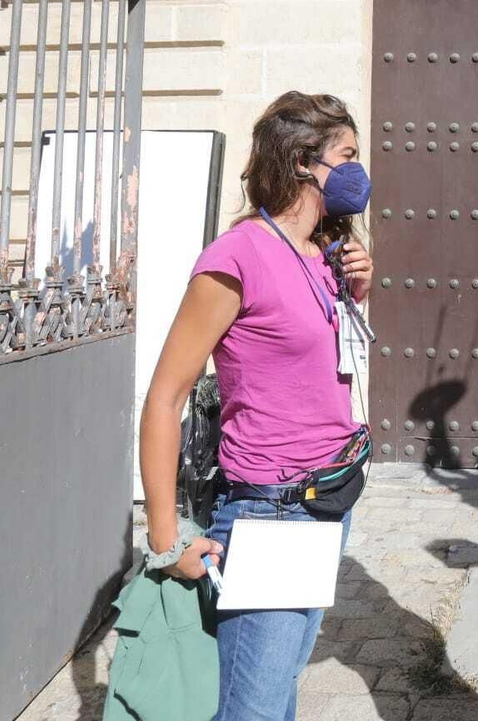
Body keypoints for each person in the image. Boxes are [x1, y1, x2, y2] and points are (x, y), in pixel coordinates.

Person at [138, 92, 375, 720]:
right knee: (254, 710)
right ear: (303, 162)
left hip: (329, 495)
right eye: (347, 156)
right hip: (274, 513)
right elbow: (164, 398)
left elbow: (308, 359)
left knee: (277, 692)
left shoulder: (318, 252)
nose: (359, 172)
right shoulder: (236, 256)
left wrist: (357, 290)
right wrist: (167, 538)